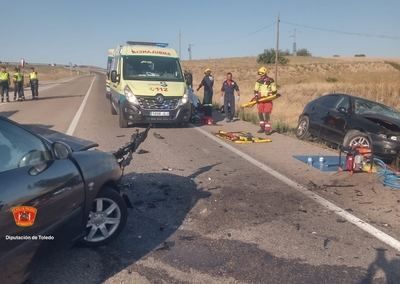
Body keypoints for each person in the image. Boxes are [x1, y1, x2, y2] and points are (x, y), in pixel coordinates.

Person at [254, 67, 277, 134]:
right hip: (260, 100)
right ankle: (262, 127)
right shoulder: (258, 81)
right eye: (260, 74)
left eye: (262, 74)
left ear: (265, 73)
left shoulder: (271, 80)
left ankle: (267, 129)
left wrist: (271, 94)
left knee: (267, 114)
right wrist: (256, 97)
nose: (261, 75)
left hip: (268, 100)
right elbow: (255, 90)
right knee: (260, 113)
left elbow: (274, 90)